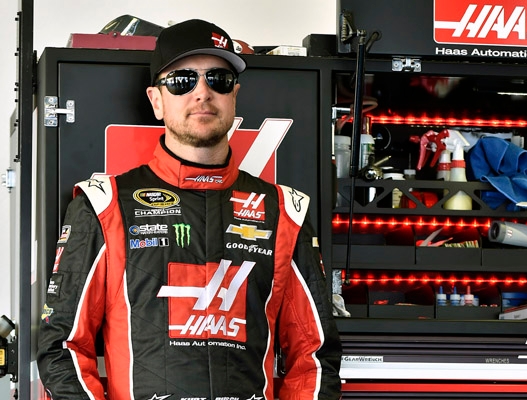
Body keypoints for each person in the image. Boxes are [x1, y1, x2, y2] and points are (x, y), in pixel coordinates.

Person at [36, 19, 342, 400]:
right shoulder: (103, 206)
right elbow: (61, 348)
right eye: (182, 80)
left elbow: (315, 357)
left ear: (234, 95)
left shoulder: (284, 214)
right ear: (156, 101)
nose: (202, 93)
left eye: (219, 79)